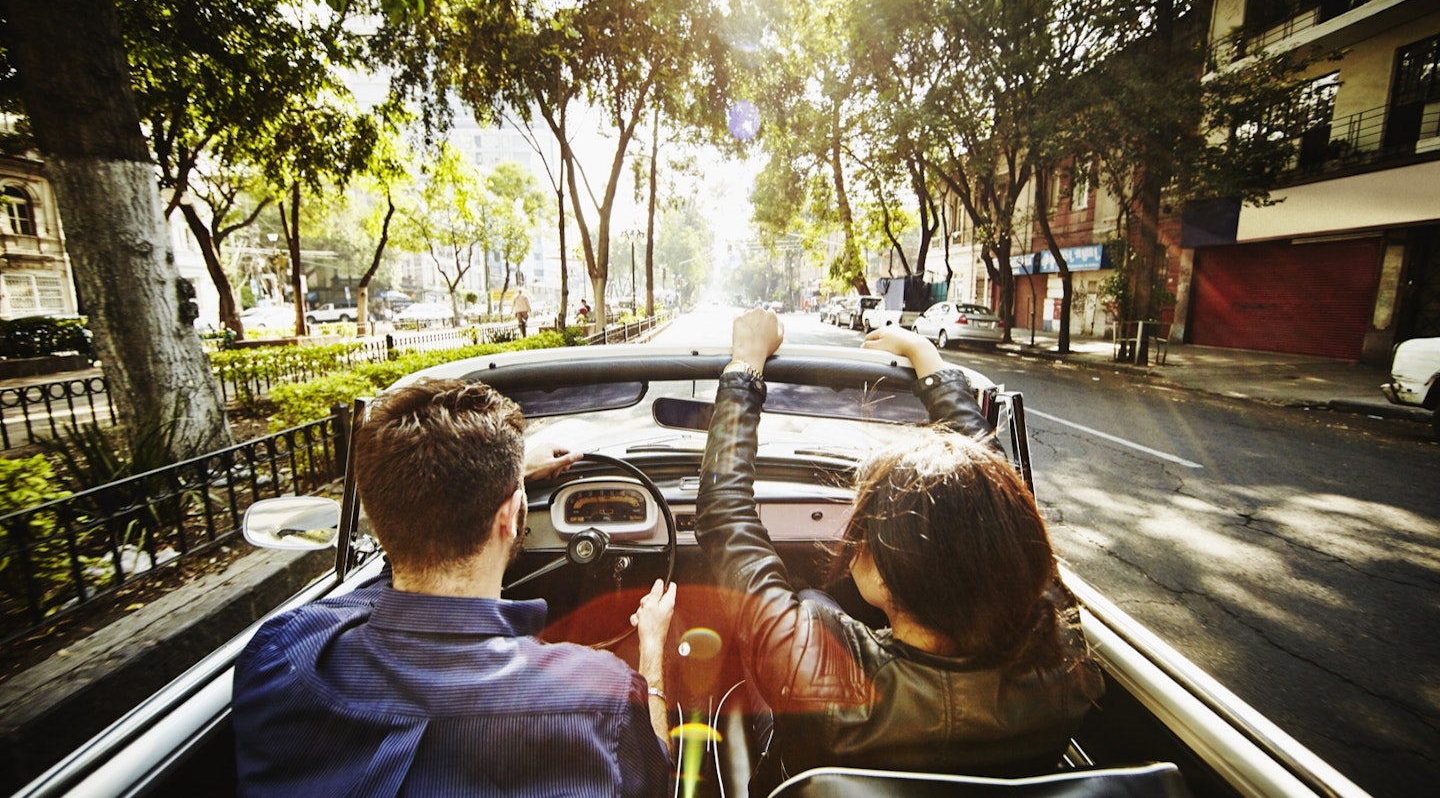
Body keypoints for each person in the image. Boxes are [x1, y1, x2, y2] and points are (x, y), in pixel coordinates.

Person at [694, 310, 1103, 794]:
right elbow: (1000, 501)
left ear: (888, 577)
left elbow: (724, 515)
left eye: (865, 527)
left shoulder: (810, 669)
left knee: (810, 611)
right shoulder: (1064, 661)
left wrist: (745, 367)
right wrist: (925, 357)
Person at [233, 378, 675, 797]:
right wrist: (651, 652)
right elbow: (654, 778)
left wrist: (501, 478)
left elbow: (421, 518)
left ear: (377, 511)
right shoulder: (602, 696)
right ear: (511, 515)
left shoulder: (281, 655)